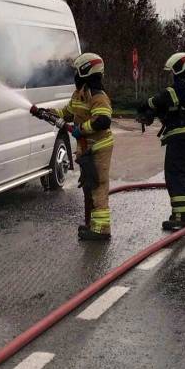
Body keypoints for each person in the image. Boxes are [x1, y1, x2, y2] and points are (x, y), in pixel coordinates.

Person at [137, 52, 185, 231]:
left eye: (173, 71)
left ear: (179, 68)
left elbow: (164, 98)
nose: (172, 75)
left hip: (182, 137)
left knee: (175, 174)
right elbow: (170, 107)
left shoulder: (184, 85)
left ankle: (180, 216)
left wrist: (146, 104)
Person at [61, 52, 114, 241]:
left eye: (77, 71)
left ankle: (101, 230)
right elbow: (67, 112)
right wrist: (47, 113)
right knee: (88, 186)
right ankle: (92, 225)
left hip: (99, 147)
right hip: (86, 148)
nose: (75, 75)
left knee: (98, 186)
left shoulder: (98, 96)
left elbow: (102, 120)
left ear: (86, 71)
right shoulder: (79, 94)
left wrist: (81, 129)